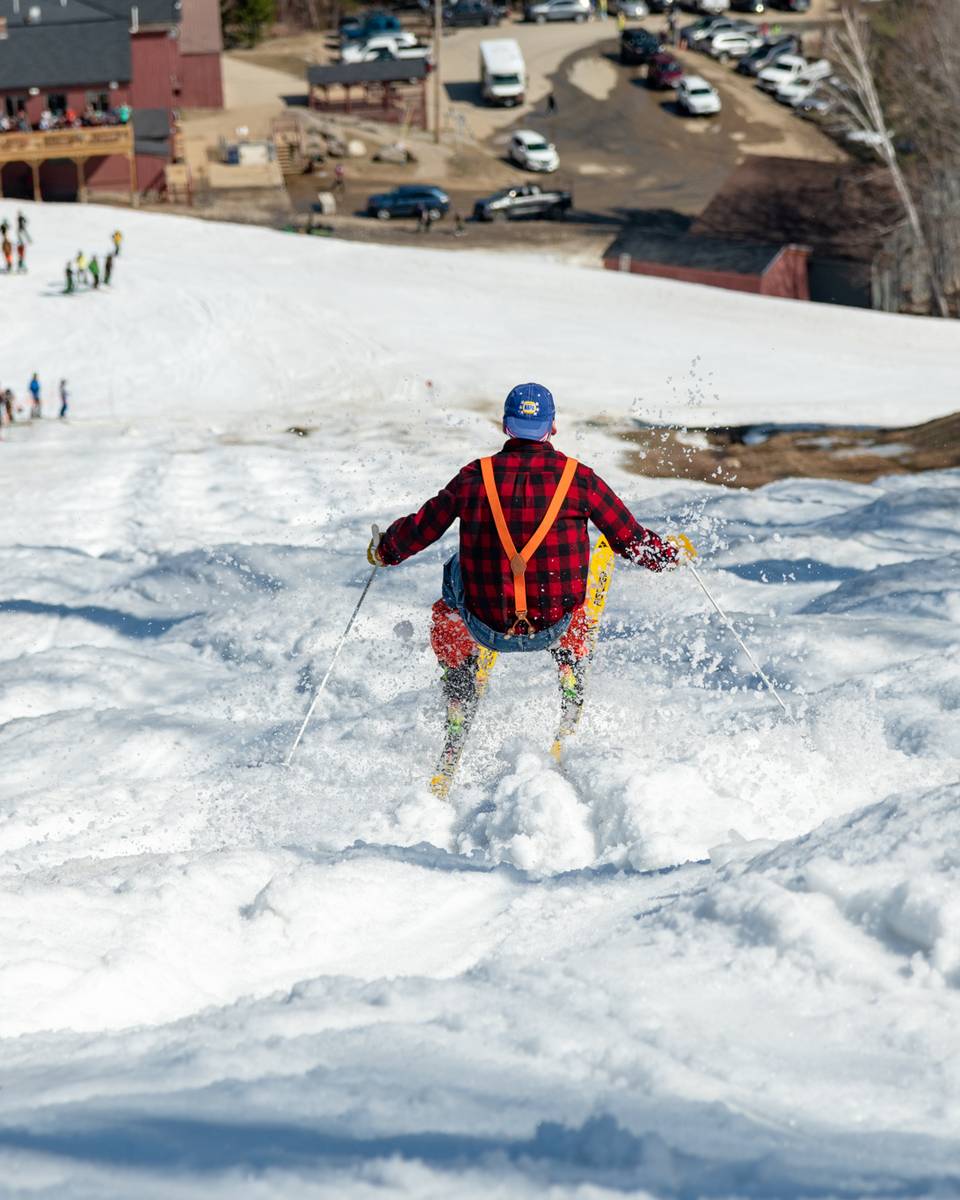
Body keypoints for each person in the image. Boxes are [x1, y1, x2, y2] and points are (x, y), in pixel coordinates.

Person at [367, 383, 681, 772]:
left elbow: (422, 528)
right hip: (554, 624)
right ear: (552, 427)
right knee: (575, 578)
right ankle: (572, 657)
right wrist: (669, 557)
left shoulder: (474, 476)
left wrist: (386, 551)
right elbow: (630, 541)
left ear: (505, 427)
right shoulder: (579, 478)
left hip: (483, 624)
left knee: (453, 569)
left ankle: (459, 682)